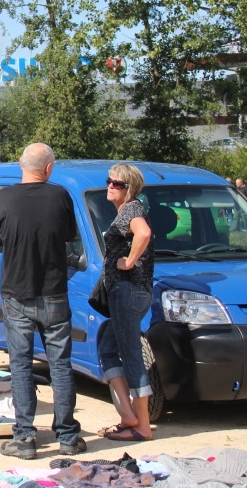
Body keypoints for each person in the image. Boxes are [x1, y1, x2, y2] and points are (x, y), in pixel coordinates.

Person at [0, 143, 85, 459]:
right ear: (49, 168)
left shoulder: (2, 198)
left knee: (20, 363)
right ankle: (68, 435)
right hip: (54, 291)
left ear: (20, 165)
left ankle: (25, 438)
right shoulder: (60, 197)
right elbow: (69, 235)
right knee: (60, 363)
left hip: (16, 291)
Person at [98, 163, 155, 442]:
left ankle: (142, 425)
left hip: (128, 291)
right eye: (109, 181)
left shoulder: (132, 209)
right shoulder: (124, 212)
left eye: (118, 183)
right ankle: (128, 415)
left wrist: (129, 261)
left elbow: (143, 233)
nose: (111, 186)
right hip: (128, 293)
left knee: (132, 356)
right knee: (107, 348)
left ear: (130, 189)